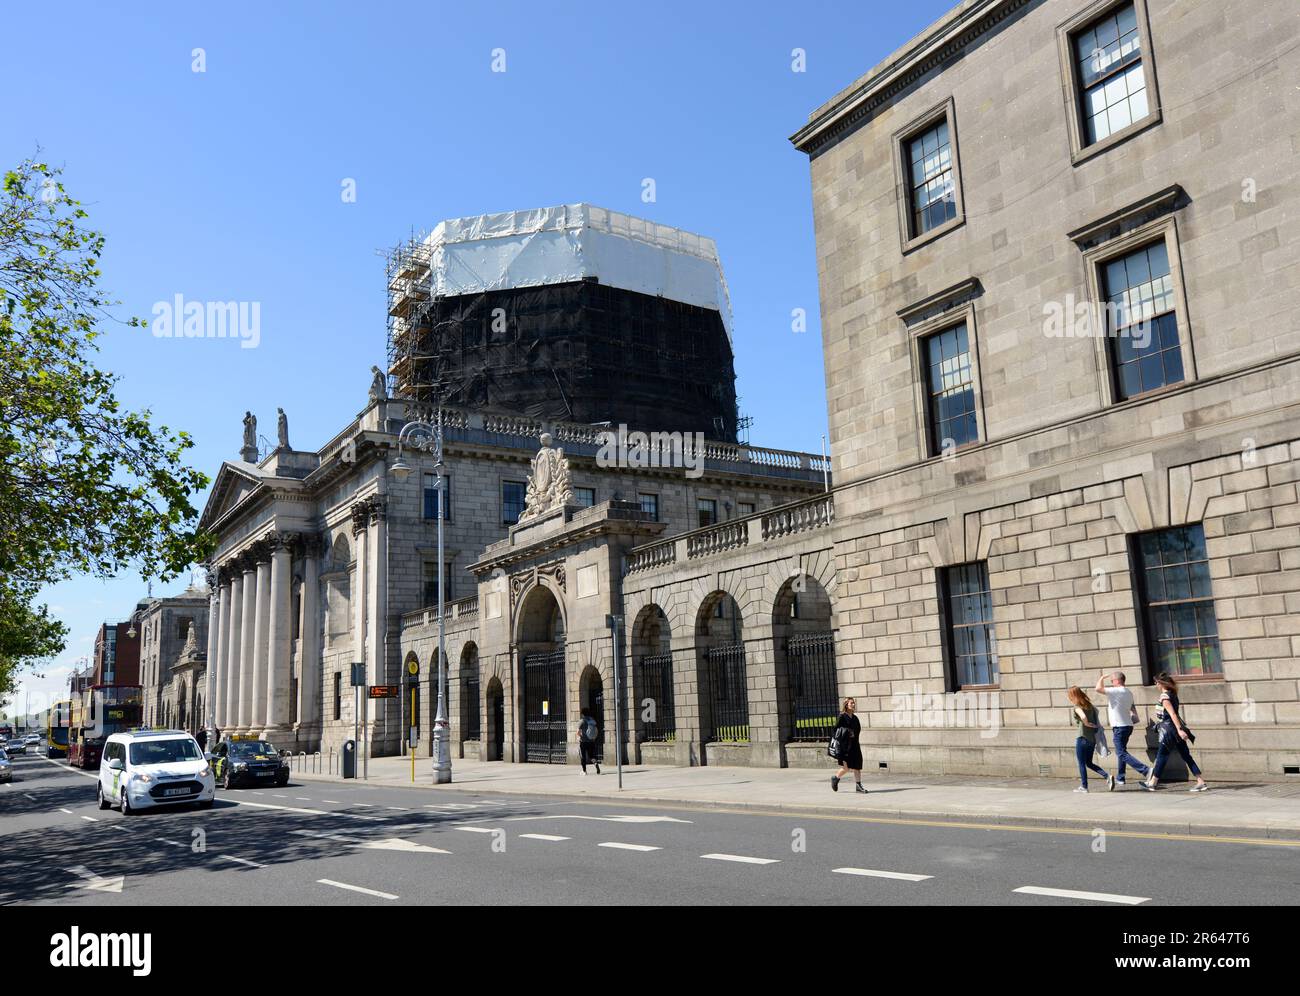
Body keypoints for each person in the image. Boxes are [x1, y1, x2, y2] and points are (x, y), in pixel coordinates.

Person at [1145, 672, 1208, 792]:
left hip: (1169, 730)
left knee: (1162, 756)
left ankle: (1153, 782)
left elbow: (1173, 714)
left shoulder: (1165, 696)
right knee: (1185, 755)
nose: (1156, 685)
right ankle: (1200, 781)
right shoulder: (1173, 694)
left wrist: (1179, 730)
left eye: (1156, 683)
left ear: (1160, 683)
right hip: (1173, 729)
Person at [1094, 670, 1149, 788]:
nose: (1111, 683)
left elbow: (1098, 688)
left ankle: (1146, 770)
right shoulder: (1128, 692)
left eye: (1112, 681)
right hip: (1128, 725)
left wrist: (1102, 678)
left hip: (1119, 727)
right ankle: (1121, 777)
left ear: (1117, 681)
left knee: (1121, 752)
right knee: (1122, 752)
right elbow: (1132, 708)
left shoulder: (1116, 690)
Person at [1068, 686, 1113, 793]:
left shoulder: (1077, 706)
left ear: (1073, 696)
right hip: (1092, 739)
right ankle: (1107, 776)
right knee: (1088, 763)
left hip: (1082, 737)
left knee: (1082, 763)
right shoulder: (1090, 706)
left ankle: (1084, 787)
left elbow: (1083, 717)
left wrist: (1086, 723)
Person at [830, 697, 866, 794]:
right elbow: (835, 730)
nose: (853, 705)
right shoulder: (842, 716)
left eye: (854, 703)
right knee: (846, 768)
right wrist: (847, 733)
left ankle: (858, 785)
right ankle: (835, 778)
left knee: (857, 765)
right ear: (846, 705)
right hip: (844, 746)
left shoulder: (855, 718)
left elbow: (858, 730)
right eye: (851, 703)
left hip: (855, 745)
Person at [577, 707, 600, 775]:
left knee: (583, 756)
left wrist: (580, 736)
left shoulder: (582, 721)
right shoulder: (592, 720)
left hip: (583, 742)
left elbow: (578, 732)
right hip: (591, 741)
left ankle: (584, 771)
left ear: (582, 714)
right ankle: (595, 763)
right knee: (591, 756)